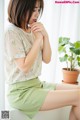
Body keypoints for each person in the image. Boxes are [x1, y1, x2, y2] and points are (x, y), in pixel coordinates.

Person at [4, 0, 80, 119]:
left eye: (38, 10)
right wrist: (38, 39)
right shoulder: (11, 32)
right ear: (20, 8)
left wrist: (45, 36)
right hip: (21, 93)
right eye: (33, 9)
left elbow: (47, 58)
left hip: (37, 84)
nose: (37, 14)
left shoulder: (33, 30)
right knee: (78, 96)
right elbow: (24, 67)